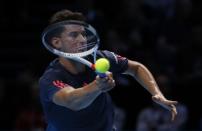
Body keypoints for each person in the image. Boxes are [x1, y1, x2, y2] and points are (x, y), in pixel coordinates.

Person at [39, 9, 178, 131]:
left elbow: (136, 68)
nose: (82, 39)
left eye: (83, 34)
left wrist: (157, 93)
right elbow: (72, 101)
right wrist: (97, 86)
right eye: (74, 35)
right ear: (57, 42)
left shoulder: (100, 57)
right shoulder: (51, 78)